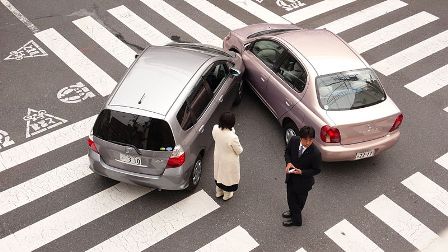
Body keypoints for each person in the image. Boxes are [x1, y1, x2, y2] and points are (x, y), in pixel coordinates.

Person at [282, 126, 321, 226]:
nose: (307, 143)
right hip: (291, 177)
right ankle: (292, 212)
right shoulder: (294, 140)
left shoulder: (315, 153)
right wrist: (289, 162)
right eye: (305, 140)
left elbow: (317, 170)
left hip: (304, 183)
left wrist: (302, 172)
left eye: (310, 140)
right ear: (300, 137)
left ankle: (297, 221)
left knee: (298, 203)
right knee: (290, 198)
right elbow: (287, 152)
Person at [212, 112, 243, 201]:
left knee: (219, 174)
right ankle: (227, 195)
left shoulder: (215, 129)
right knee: (227, 178)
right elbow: (239, 150)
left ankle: (218, 192)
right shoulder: (232, 137)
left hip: (218, 155)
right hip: (229, 161)